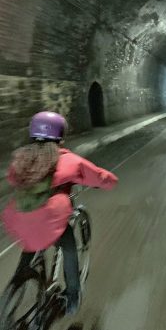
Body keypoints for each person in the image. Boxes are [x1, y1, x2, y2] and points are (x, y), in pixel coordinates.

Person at [1, 111, 118, 315]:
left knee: (30, 242)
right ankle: (73, 295)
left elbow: (12, 178)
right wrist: (109, 182)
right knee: (69, 245)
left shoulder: (21, 158)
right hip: (49, 219)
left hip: (17, 217)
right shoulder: (67, 160)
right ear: (60, 134)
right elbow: (98, 176)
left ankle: (16, 286)